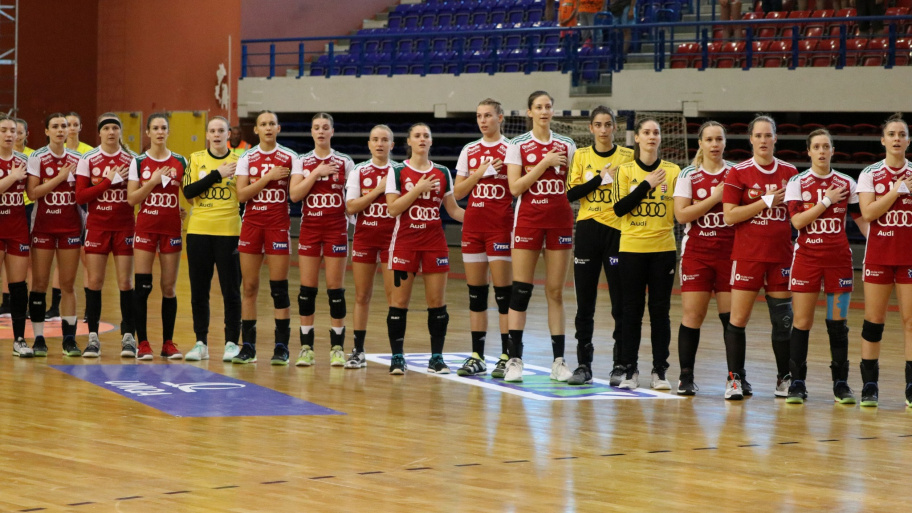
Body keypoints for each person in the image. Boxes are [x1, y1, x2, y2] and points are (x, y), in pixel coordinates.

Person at [783, 128, 866, 404]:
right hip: (807, 260)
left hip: (838, 262)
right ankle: (797, 383)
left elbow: (863, 221)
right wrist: (827, 200)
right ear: (808, 151)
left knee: (837, 323)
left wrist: (880, 244)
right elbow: (797, 222)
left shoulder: (847, 182)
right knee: (802, 322)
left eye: (826, 146)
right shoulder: (797, 182)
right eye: (816, 147)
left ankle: (841, 384)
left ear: (833, 150)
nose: (821, 151)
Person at [722, 115, 798, 400]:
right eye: (758, 135)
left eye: (768, 135)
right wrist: (765, 201)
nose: (763, 140)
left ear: (776, 138)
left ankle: (784, 378)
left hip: (781, 257)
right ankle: (734, 379)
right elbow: (730, 216)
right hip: (748, 256)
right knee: (738, 318)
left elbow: (798, 214)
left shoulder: (790, 172)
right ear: (750, 139)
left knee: (783, 321)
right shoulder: (738, 172)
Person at [503, 91, 577, 383]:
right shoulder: (518, 145)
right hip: (528, 222)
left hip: (560, 222)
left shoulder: (567, 144)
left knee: (556, 292)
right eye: (538, 107)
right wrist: (544, 163)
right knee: (521, 290)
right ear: (529, 112)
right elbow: (515, 188)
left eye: (548, 106)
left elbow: (574, 185)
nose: (544, 111)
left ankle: (559, 361)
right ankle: (514, 360)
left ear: (553, 111)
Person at [385, 123, 465, 374]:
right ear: (409, 141)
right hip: (405, 243)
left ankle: (437, 358)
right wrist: (418, 189)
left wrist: (482, 219)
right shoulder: (397, 171)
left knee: (437, 302)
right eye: (417, 135)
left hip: (434, 243)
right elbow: (393, 209)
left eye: (426, 136)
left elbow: (453, 210)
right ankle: (397, 357)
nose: (422, 139)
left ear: (431, 141)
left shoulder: (442, 172)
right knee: (399, 302)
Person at [566, 105, 634, 386]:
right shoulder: (581, 155)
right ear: (591, 128)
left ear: (615, 127)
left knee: (620, 303)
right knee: (585, 303)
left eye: (608, 124)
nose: (603, 129)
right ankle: (584, 364)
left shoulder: (628, 156)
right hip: (587, 231)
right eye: (598, 125)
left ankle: (620, 364)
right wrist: (600, 179)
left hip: (617, 232)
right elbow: (571, 194)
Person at [611, 118, 679, 390]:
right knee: (631, 312)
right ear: (637, 138)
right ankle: (630, 369)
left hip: (663, 250)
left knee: (660, 312)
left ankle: (660, 371)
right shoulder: (624, 170)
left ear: (661, 138)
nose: (652, 136)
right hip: (632, 250)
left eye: (656, 132)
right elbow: (619, 209)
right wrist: (646, 185)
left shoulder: (673, 171)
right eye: (647, 132)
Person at [453, 99, 514, 378]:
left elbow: (519, 188)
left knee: (503, 295)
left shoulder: (512, 148)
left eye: (488, 115)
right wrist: (480, 172)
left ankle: (506, 356)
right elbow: (458, 193)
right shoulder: (470, 150)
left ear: (500, 118)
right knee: (476, 295)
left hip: (500, 228)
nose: (483, 120)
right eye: (479, 116)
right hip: (473, 228)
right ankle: (477, 355)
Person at [672, 121, 734, 395]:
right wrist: (715, 197)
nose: (714, 144)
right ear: (700, 143)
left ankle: (736, 377)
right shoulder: (688, 174)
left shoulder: (735, 173)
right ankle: (685, 377)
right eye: (709, 139)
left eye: (719, 139)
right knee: (693, 315)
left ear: (724, 142)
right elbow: (681, 215)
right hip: (697, 254)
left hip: (730, 253)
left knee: (731, 318)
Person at [233, 111, 299, 364]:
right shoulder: (247, 157)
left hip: (277, 227)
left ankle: (281, 347)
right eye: (263, 124)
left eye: (272, 124)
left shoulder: (290, 157)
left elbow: (295, 193)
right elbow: (242, 195)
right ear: (256, 130)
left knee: (279, 289)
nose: (268, 127)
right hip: (252, 225)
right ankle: (248, 346)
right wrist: (268, 177)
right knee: (249, 287)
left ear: (278, 128)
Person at [289, 113, 354, 367]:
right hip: (310, 230)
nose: (321, 131)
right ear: (311, 132)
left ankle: (337, 348)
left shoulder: (345, 162)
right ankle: (306, 347)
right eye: (316, 127)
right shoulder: (302, 161)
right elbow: (295, 195)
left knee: (336, 291)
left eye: (325, 127)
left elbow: (352, 199)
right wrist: (316, 172)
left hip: (336, 230)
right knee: (307, 291)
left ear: (332, 132)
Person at [856, 113, 912, 408]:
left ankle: (911, 386)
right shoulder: (870, 173)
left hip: (909, 258)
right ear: (882, 140)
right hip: (879, 256)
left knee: (910, 321)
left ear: (908, 141)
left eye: (902, 134)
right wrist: (897, 191)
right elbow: (868, 213)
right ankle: (869, 385)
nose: (897, 139)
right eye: (892, 134)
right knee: (874, 321)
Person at [75, 113, 137, 357]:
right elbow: (81, 196)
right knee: (94, 282)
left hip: (125, 227)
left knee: (126, 282)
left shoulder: (131, 160)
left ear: (120, 132)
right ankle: (93, 338)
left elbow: (139, 193)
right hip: (97, 226)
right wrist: (107, 181)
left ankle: (128, 337)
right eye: (106, 128)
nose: (111, 132)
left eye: (115, 128)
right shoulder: (88, 159)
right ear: (99, 132)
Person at [126, 113, 187, 360]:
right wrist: (152, 182)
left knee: (168, 287)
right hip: (146, 229)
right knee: (142, 287)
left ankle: (168, 343)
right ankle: (142, 343)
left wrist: (183, 210)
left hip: (171, 230)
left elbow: (189, 194)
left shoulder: (180, 161)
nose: (160, 132)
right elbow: (132, 199)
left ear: (168, 132)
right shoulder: (139, 162)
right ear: (148, 132)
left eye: (163, 128)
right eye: (155, 128)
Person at [181, 116, 242, 362]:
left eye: (221, 130)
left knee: (231, 290)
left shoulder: (240, 160)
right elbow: (189, 191)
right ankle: (200, 343)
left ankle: (231, 343)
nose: (216, 134)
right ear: (207, 134)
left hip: (229, 232)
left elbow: (245, 195)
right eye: (212, 131)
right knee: (199, 290)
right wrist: (217, 174)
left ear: (229, 134)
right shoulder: (195, 159)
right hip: (199, 232)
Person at [26, 113, 83, 357]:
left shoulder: (79, 158)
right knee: (39, 283)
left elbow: (84, 193)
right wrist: (60, 178)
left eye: (65, 126)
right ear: (47, 131)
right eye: (56, 126)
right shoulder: (37, 157)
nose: (61, 130)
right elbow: (33, 193)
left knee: (68, 284)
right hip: (43, 227)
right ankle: (39, 338)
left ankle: (69, 339)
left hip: (70, 227)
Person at [345, 124, 398, 369]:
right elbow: (351, 207)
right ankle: (358, 350)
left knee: (394, 297)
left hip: (392, 239)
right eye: (375, 139)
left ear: (391, 145)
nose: (379, 143)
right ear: (369, 144)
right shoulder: (359, 170)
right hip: (365, 237)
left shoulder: (400, 170)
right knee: (361, 295)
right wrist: (378, 190)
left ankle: (397, 353)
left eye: (384, 139)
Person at [0, 115, 31, 356]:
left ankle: (19, 339)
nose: (9, 134)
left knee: (18, 286)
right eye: (4, 130)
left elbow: (33, 191)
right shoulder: (15, 168)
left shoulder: (24, 161)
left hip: (17, 228)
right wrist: (11, 177)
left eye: (13, 130)